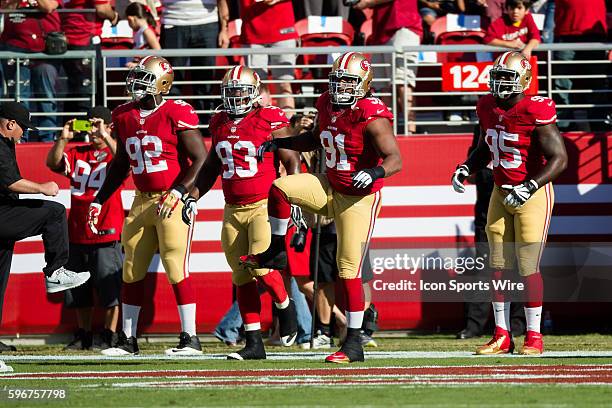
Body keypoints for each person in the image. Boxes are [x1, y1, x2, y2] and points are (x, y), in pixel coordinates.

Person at [241, 52, 402, 363]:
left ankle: (354, 342)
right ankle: (275, 249)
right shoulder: (326, 103)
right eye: (338, 80)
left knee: (347, 268)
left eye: (349, 82)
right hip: (330, 183)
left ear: (364, 84)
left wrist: (375, 171)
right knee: (281, 187)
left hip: (361, 195)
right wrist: (280, 143)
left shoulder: (372, 113)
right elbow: (314, 140)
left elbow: (395, 158)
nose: (341, 87)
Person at [87, 56, 207, 356]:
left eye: (144, 79)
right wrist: (99, 198)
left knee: (175, 265)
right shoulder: (124, 114)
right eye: (136, 78)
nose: (136, 84)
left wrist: (180, 192)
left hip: (171, 198)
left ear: (162, 83)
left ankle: (190, 338)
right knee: (131, 268)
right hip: (141, 200)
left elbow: (201, 159)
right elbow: (120, 164)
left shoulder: (176, 111)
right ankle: (128, 340)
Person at [451, 51, 568, 355]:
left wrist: (530, 186)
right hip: (501, 192)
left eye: (508, 77)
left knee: (528, 266)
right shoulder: (487, 105)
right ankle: (501, 334)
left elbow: (560, 159)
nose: (500, 83)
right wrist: (467, 167)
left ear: (524, 80)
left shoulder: (535, 109)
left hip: (533, 193)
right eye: (498, 76)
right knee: (497, 266)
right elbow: (484, 147)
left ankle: (534, 336)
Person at [182, 66, 299, 360]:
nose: (235, 96)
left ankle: (287, 307)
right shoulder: (219, 121)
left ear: (254, 93)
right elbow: (211, 166)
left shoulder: (268, 117)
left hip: (264, 205)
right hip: (232, 208)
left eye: (241, 91)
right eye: (230, 91)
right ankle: (253, 342)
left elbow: (291, 157)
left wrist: (294, 195)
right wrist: (193, 196)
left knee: (259, 266)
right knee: (240, 277)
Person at [0, 101, 91, 352]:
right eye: (22, 128)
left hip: (4, 216)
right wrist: (43, 188)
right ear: (10, 124)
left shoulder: (7, 142)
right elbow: (11, 183)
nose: (24, 133)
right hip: (2, 213)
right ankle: (55, 271)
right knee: (54, 212)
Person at [46, 107, 124, 351]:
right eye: (89, 125)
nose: (92, 131)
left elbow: (125, 160)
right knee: (78, 290)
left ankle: (110, 335)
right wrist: (63, 138)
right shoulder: (78, 152)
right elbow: (53, 163)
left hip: (106, 230)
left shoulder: (114, 153)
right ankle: (84, 335)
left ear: (109, 126)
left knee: (109, 289)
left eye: (98, 125)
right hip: (78, 231)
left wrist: (106, 134)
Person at [352, 0, 422, 134]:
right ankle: (388, 130)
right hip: (382, 32)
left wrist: (366, 3)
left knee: (402, 82)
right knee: (383, 86)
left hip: (403, 25)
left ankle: (411, 130)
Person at [0, 0, 62, 141]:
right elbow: (5, 9)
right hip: (15, 50)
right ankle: (20, 138)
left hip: (45, 53)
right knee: (20, 99)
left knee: (46, 98)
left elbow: (48, 6)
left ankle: (48, 137)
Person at [160, 0, 229, 120]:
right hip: (173, 22)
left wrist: (224, 29)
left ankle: (205, 124)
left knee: (205, 80)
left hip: (208, 22)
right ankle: (173, 122)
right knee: (172, 80)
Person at [238, 0, 298, 115]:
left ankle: (287, 127)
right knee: (258, 86)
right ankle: (261, 127)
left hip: (283, 30)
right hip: (252, 31)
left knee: (284, 82)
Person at [61, 0, 119, 115]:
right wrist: (115, 16)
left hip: (68, 41)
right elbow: (102, 9)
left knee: (76, 92)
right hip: (85, 42)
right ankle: (83, 131)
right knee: (86, 93)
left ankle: (72, 130)